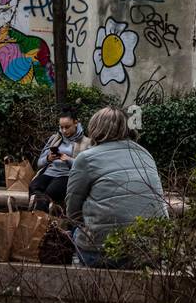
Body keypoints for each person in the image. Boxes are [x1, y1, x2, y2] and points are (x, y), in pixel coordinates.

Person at [65, 104, 168, 267]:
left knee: (74, 233)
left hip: (105, 253)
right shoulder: (145, 154)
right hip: (151, 251)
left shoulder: (87, 158)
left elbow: (72, 210)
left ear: (95, 128)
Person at [29, 105, 89, 212]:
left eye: (67, 127)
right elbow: (39, 163)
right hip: (49, 172)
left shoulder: (86, 142)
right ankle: (42, 218)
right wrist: (48, 158)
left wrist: (68, 160)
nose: (64, 131)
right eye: (61, 127)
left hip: (67, 175)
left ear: (76, 123)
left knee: (51, 192)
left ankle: (39, 219)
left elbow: (86, 167)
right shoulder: (55, 139)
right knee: (33, 186)